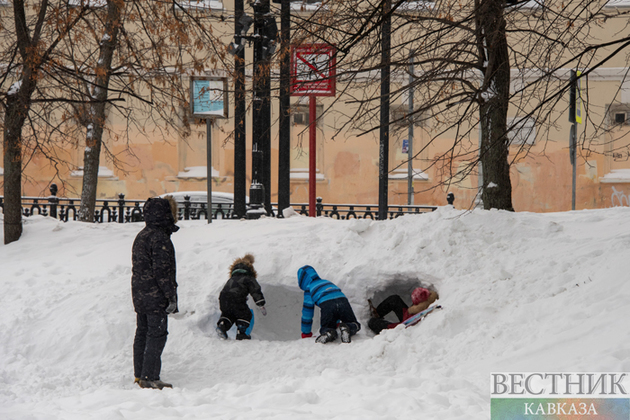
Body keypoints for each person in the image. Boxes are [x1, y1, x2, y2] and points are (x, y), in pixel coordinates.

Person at [131, 196, 180, 390]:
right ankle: (150, 377)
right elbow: (163, 272)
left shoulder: (142, 235)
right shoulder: (160, 238)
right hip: (155, 296)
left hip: (140, 294)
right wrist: (171, 296)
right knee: (156, 335)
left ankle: (140, 374)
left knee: (142, 333)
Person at [298, 265, 361, 344]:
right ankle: (348, 327)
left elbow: (307, 313)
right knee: (354, 323)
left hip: (327, 304)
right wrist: (337, 321)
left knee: (327, 327)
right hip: (343, 301)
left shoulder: (309, 288)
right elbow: (334, 299)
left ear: (302, 281)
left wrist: (306, 333)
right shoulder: (326, 282)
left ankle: (329, 332)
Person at [216, 253, 267, 340]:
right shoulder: (248, 278)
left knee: (228, 314)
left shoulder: (232, 278)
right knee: (245, 314)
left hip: (223, 299)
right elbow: (255, 290)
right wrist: (260, 303)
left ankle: (223, 326)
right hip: (236, 298)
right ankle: (241, 333)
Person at [367, 287, 439, 335]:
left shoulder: (417, 312)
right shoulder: (428, 299)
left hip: (405, 324)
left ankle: (376, 318)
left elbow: (405, 325)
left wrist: (391, 327)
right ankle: (377, 313)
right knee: (394, 299)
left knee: (372, 322)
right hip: (406, 314)